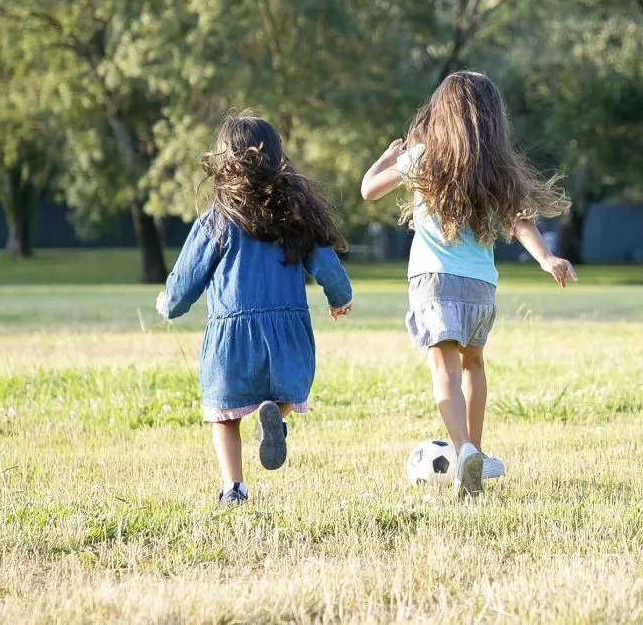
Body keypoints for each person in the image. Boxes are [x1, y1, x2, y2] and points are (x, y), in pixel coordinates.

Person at [360, 71, 576, 498]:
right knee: (473, 365)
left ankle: (462, 452)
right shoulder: (493, 169)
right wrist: (547, 258)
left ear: (441, 113)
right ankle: (474, 449)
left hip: (433, 281)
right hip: (480, 286)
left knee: (444, 368)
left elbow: (368, 191)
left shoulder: (422, 157)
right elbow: (520, 222)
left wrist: (387, 158)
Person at [157, 115, 352, 506]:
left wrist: (168, 304)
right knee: (284, 390)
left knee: (224, 417)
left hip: (232, 339)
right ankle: (275, 418)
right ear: (278, 157)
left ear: (223, 162)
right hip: (287, 334)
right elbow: (327, 266)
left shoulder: (216, 220)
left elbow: (186, 279)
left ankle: (234, 488)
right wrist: (339, 297)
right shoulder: (295, 216)